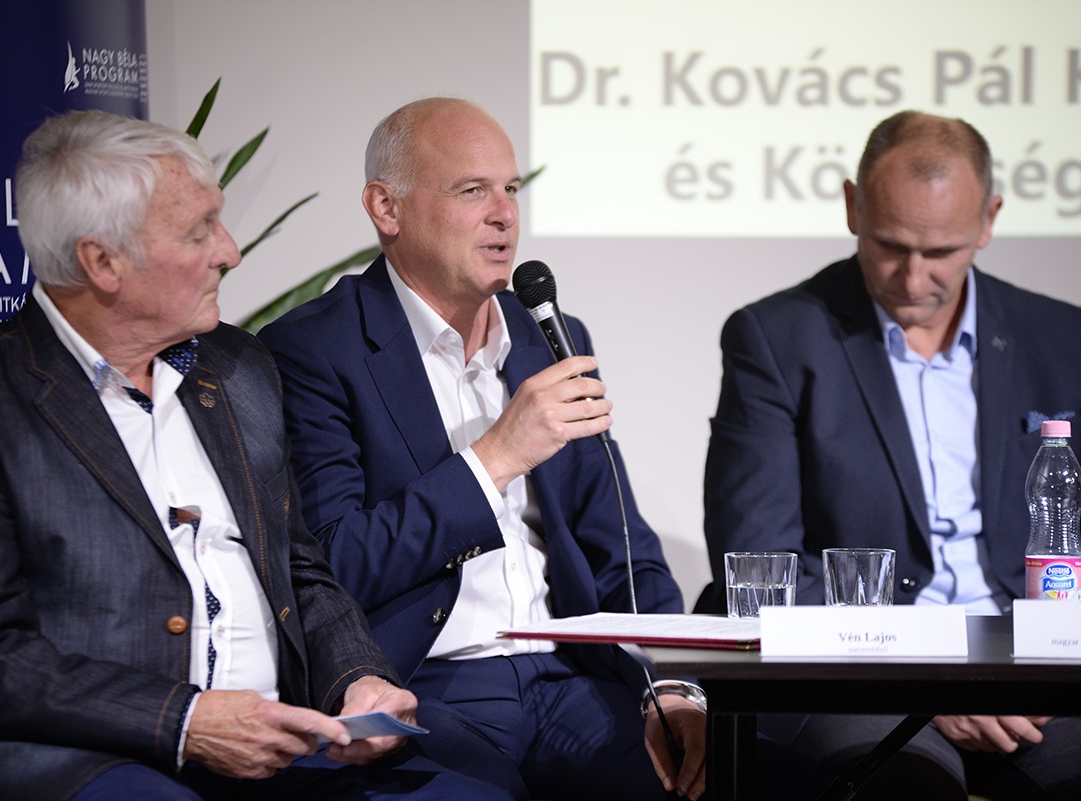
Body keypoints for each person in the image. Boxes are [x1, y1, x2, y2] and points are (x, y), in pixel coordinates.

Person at [0, 109, 506, 801]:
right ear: (102, 262)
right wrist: (185, 721)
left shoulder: (238, 366)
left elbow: (299, 566)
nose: (229, 251)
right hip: (62, 755)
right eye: (198, 230)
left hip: (275, 745)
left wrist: (355, 677)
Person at [256, 98, 707, 800]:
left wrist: (673, 686)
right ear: (386, 207)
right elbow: (335, 563)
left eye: (511, 189)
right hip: (426, 685)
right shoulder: (314, 348)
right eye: (472, 191)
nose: (504, 215)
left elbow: (621, 540)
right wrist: (495, 458)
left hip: (570, 677)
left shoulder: (546, 336)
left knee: (753, 777)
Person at [702, 109, 1081, 800]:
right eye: (889, 246)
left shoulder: (1061, 336)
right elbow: (760, 559)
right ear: (853, 207)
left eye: (941, 253)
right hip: (861, 670)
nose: (912, 277)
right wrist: (925, 679)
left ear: (989, 221)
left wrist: (1046, 669)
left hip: (1035, 672)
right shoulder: (777, 338)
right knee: (903, 789)